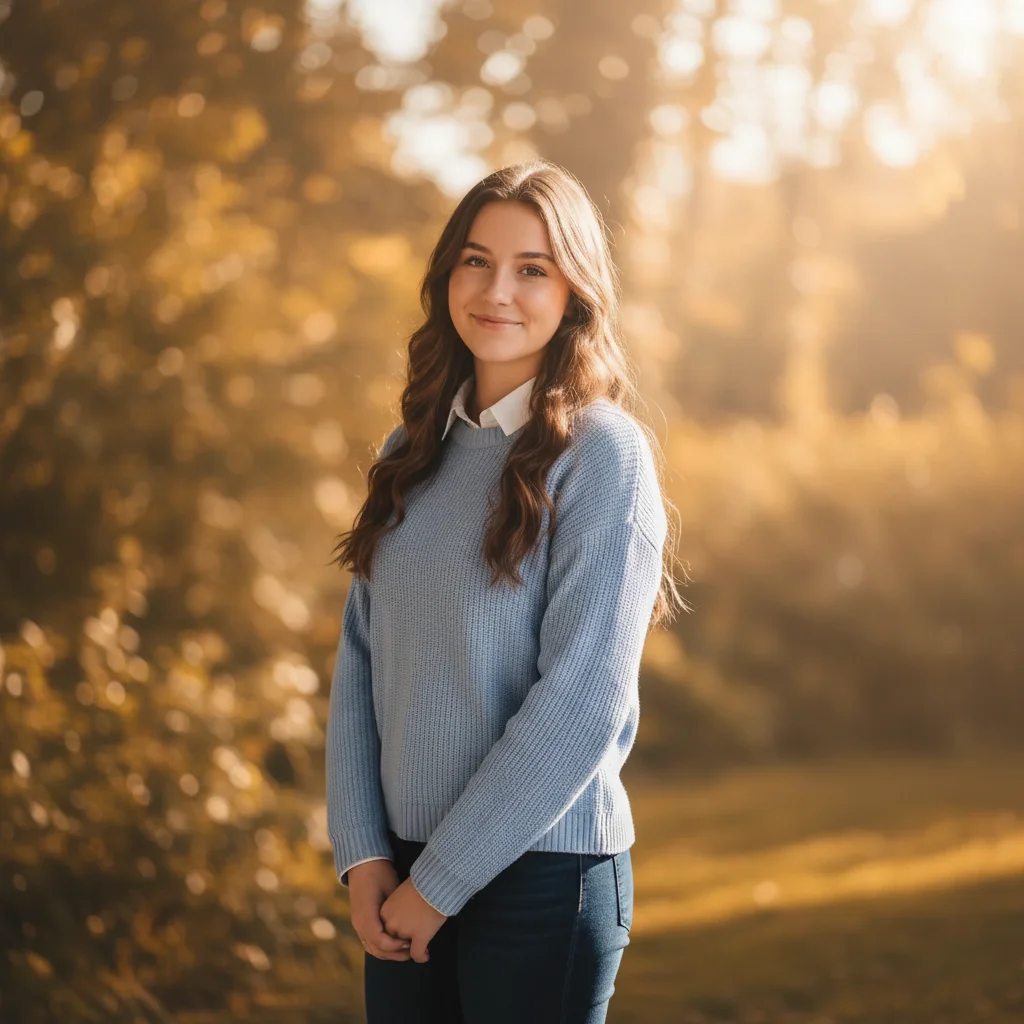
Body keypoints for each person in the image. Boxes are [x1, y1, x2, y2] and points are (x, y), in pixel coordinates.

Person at [326, 159, 685, 1023]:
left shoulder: (603, 454)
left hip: (542, 875)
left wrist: (440, 885)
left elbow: (581, 706)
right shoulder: (408, 448)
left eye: (534, 269)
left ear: (575, 294)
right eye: (476, 261)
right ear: (448, 273)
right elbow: (360, 662)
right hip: (405, 870)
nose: (498, 290)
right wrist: (365, 853)